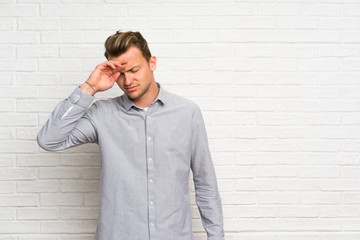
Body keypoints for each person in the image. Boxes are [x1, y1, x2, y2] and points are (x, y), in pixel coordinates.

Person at [37, 31, 224, 240]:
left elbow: (205, 183)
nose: (128, 81)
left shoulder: (187, 113)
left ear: (152, 63)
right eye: (121, 74)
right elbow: (49, 140)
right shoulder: (102, 114)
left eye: (134, 70)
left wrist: (216, 236)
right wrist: (89, 88)